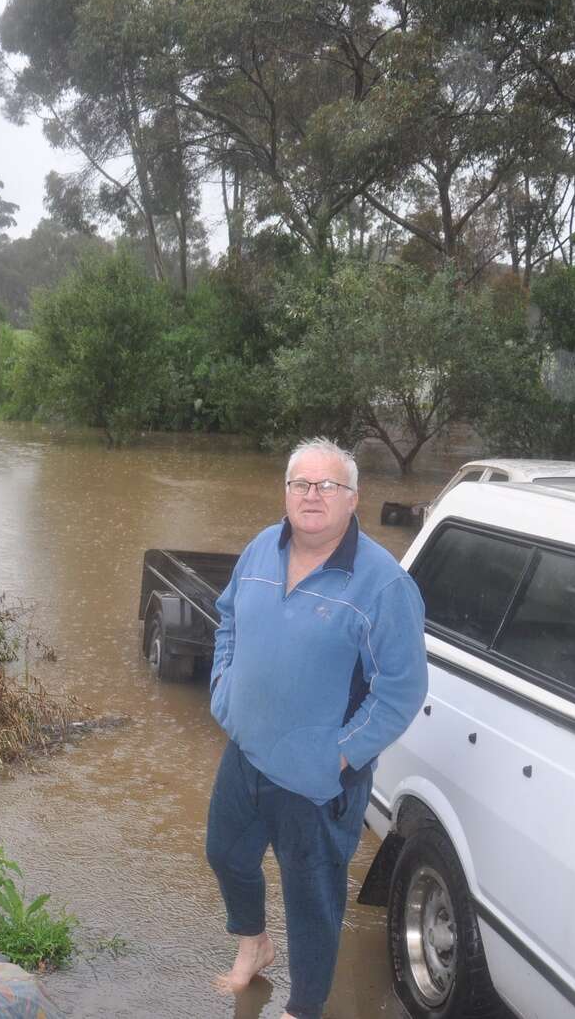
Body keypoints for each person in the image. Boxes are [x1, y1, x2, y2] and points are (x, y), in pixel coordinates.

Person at [205, 437, 427, 1019]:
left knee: (313, 903)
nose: (311, 495)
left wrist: (338, 758)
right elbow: (227, 617)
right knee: (226, 854)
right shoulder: (260, 548)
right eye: (300, 483)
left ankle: (303, 1008)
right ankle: (253, 944)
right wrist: (223, 688)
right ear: (285, 492)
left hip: (317, 780)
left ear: (353, 499)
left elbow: (401, 691)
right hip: (245, 751)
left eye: (327, 485)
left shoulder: (383, 585)